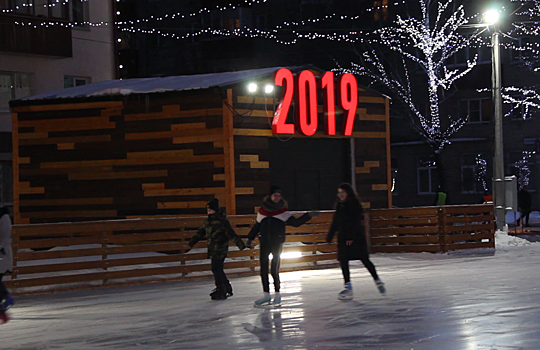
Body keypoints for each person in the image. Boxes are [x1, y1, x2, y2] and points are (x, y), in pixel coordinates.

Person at [247, 185, 316, 306]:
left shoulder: (283, 212)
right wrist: (250, 238)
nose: (277, 198)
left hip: (276, 243)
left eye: (279, 196)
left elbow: (295, 223)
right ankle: (266, 295)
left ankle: (277, 294)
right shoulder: (262, 211)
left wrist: (308, 215)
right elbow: (257, 226)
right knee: (263, 268)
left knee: (274, 268)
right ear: (270, 196)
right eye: (275, 195)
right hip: (264, 242)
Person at [326, 183, 385, 300]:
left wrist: (350, 238)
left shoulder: (353, 206)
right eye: (339, 192)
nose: (340, 194)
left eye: (342, 192)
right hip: (343, 238)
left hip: (355, 238)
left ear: (348, 193)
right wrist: (330, 235)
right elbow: (336, 222)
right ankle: (348, 287)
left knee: (364, 259)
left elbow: (355, 223)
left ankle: (377, 280)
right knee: (343, 261)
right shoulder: (340, 206)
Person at [189, 199, 246, 300]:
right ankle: (225, 286)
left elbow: (231, 233)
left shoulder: (222, 221)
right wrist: (192, 241)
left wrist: (240, 244)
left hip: (220, 248)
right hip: (213, 248)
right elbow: (201, 232)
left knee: (216, 268)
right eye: (208, 210)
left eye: (210, 209)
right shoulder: (208, 221)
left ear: (215, 210)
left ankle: (221, 289)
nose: (208, 211)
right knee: (217, 268)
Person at [0, 207, 13, 324]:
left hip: (2, 255)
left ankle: (7, 298)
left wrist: (1, 248)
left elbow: (5, 236)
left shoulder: (4, 217)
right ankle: (5, 299)